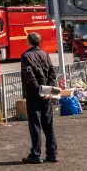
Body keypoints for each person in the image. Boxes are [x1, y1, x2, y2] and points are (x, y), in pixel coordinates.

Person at [20, 32, 58, 164]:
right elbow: (52, 73)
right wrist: (50, 89)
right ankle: (52, 153)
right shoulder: (45, 54)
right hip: (47, 93)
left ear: (28, 41)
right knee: (48, 124)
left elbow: (29, 76)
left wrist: (37, 91)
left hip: (33, 94)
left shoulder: (26, 56)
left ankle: (36, 154)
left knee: (35, 124)